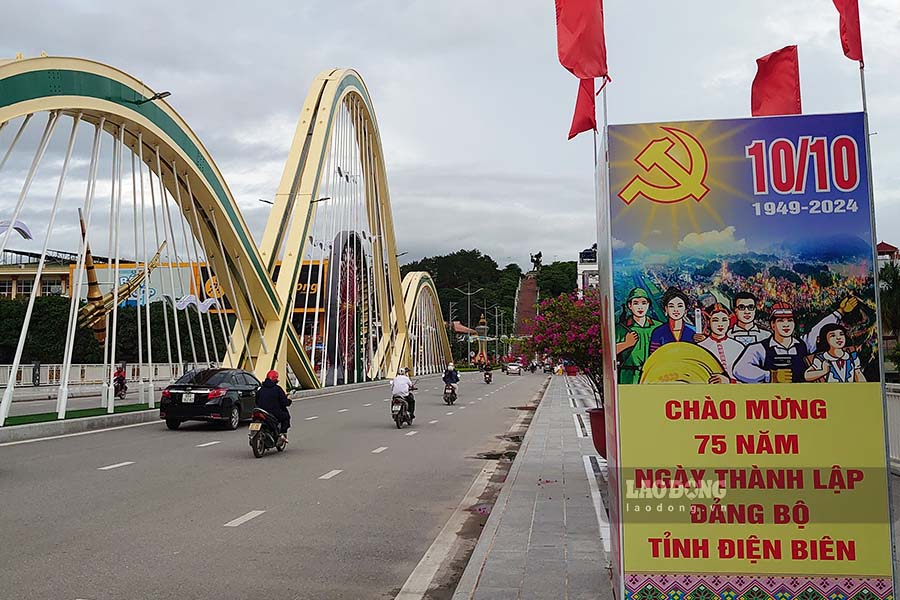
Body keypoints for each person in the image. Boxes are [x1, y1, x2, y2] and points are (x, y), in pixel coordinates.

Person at [733, 297, 857, 383]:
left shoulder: (803, 344)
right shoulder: (760, 349)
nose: (786, 325)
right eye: (781, 321)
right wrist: (770, 376)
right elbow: (739, 370)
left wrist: (840, 312)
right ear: (773, 325)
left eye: (790, 321)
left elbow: (817, 330)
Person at [615, 287, 661, 384]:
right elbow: (609, 352)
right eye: (636, 303)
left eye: (644, 303)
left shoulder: (658, 327)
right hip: (629, 378)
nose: (640, 307)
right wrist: (626, 344)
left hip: (653, 377)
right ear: (629, 305)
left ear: (648, 305)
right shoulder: (621, 328)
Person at [696, 303, 744, 383]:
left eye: (724, 320)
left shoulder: (739, 347)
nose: (720, 324)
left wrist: (729, 381)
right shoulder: (700, 348)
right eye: (715, 320)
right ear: (708, 322)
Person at [649, 287, 696, 354]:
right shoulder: (658, 332)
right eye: (671, 306)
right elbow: (654, 357)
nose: (676, 310)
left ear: (685, 310)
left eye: (679, 306)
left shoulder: (693, 331)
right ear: (666, 309)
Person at [255, 370, 292, 442]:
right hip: (274, 412)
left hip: (261, 411)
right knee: (286, 416)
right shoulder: (277, 389)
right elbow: (284, 402)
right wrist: (289, 401)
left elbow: (256, 400)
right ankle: (282, 433)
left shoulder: (260, 389)